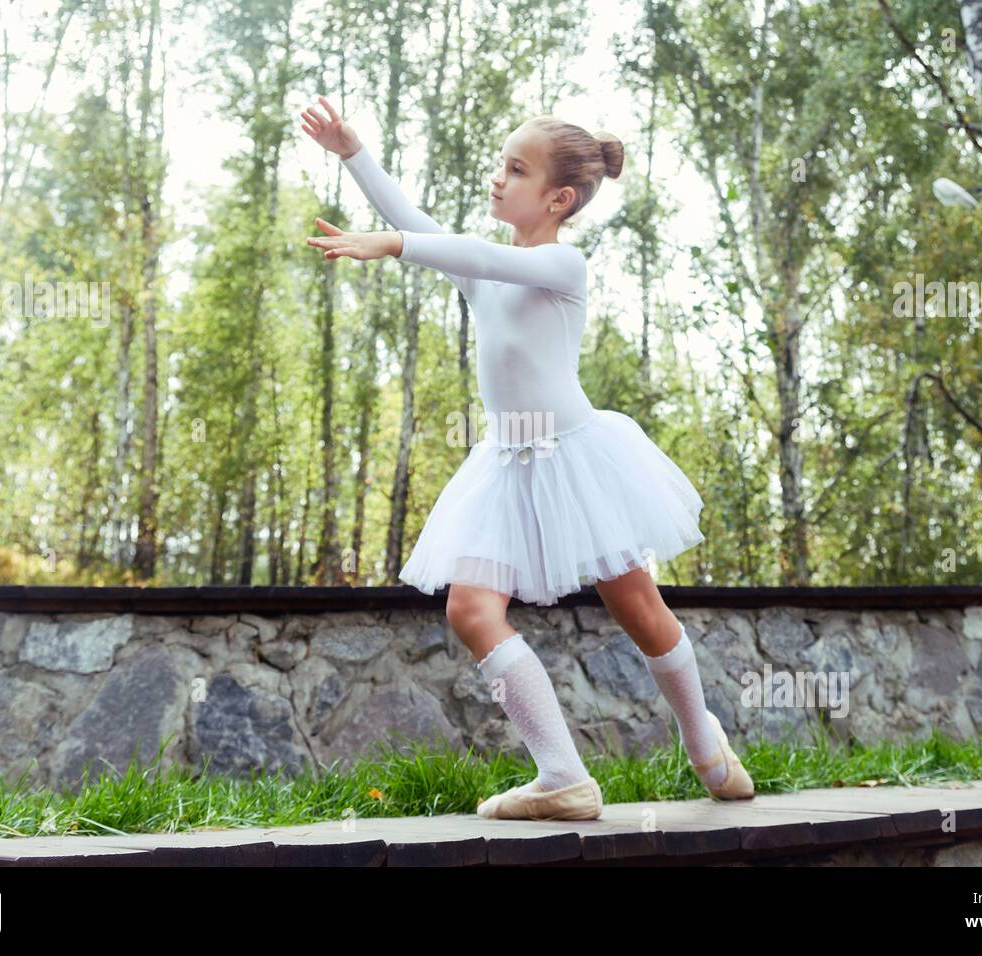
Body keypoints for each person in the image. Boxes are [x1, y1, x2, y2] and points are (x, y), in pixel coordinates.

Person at [300, 95, 753, 820]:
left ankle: (705, 744)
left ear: (558, 197)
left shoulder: (561, 266)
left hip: (577, 460)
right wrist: (354, 152)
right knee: (471, 608)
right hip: (506, 467)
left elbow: (454, 248)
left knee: (638, 607)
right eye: (502, 165)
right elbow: (426, 228)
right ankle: (562, 775)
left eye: (517, 170)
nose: (499, 179)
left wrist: (389, 246)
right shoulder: (487, 273)